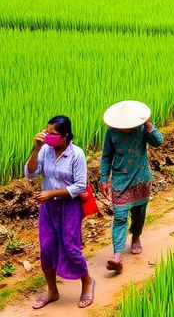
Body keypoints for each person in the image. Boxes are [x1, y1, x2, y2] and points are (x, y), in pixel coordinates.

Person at [24, 115, 95, 310]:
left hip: (69, 206)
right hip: (48, 208)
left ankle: (87, 281)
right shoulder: (45, 150)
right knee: (46, 248)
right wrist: (36, 149)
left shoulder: (76, 154)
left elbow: (80, 186)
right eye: (47, 132)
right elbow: (30, 173)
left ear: (64, 136)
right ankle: (52, 291)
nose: (48, 136)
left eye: (53, 134)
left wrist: (51, 193)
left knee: (70, 246)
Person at [100, 101, 163, 275]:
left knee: (139, 214)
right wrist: (104, 179)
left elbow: (159, 141)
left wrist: (149, 125)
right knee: (119, 217)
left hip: (141, 179)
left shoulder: (142, 129)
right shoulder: (112, 133)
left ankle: (136, 236)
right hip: (120, 181)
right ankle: (117, 256)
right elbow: (106, 156)